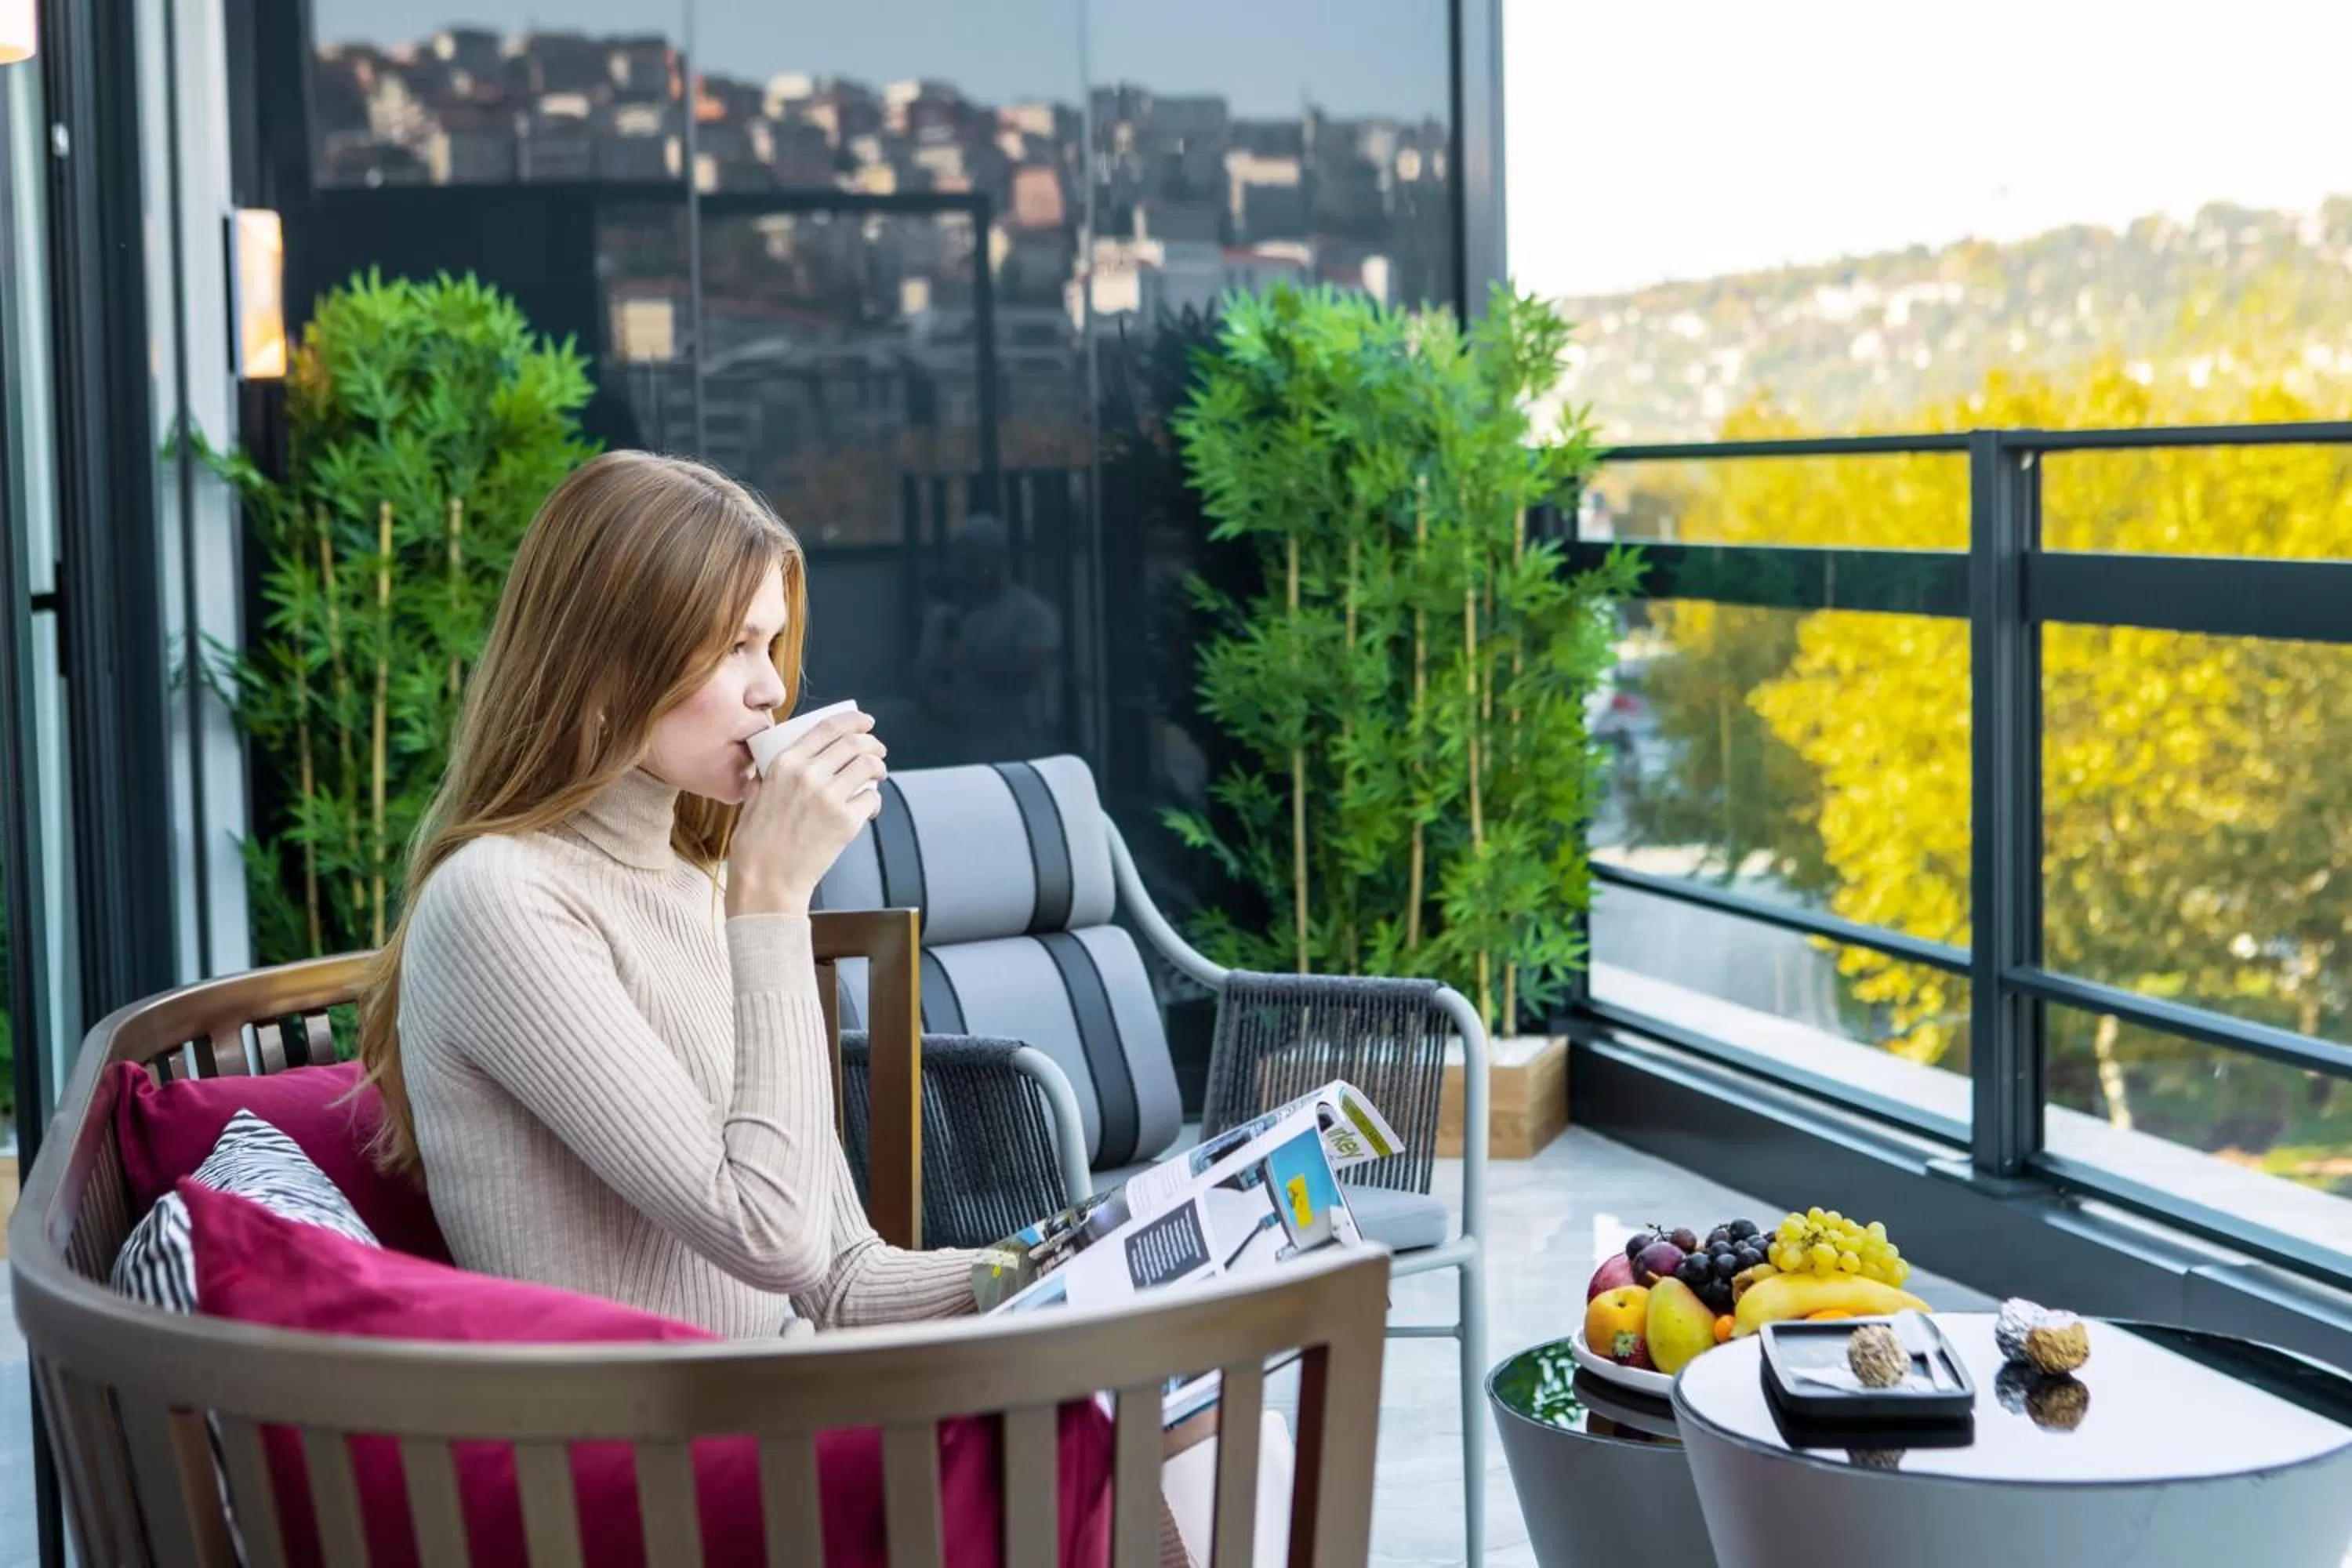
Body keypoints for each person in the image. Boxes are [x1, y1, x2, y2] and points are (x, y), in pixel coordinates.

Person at [357, 450, 977, 1337]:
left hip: (788, 1410)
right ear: (610, 665)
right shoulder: (501, 901)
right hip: (657, 1459)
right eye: (734, 646)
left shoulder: (697, 883)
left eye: (770, 644)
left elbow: (841, 1280)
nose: (773, 689)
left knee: (1163, 1393)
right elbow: (771, 1239)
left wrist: (1063, 1258)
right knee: (1145, 1433)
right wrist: (769, 900)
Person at [915, 511, 1063, 761]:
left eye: (977, 562)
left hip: (1015, 749)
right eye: (964, 562)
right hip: (953, 748)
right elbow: (922, 669)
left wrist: (970, 662)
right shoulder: (944, 617)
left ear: (1000, 559)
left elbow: (1029, 676)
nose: (970, 572)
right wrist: (932, 695)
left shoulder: (1031, 613)